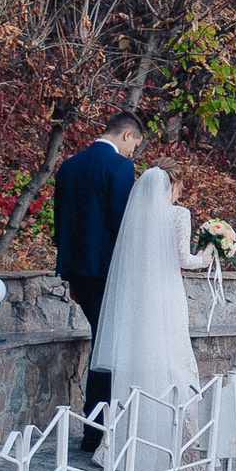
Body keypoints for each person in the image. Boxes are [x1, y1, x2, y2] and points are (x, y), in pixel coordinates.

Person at [88, 167, 212, 471]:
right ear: (172, 185)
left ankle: (126, 445)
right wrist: (209, 256)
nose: (179, 193)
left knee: (138, 365)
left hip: (135, 300)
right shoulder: (177, 215)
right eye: (178, 186)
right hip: (166, 297)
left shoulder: (135, 217)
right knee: (173, 364)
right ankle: (174, 448)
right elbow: (185, 260)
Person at [53, 112, 144, 451]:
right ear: (127, 134)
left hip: (78, 272)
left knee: (102, 343)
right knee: (109, 349)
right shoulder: (119, 168)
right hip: (110, 273)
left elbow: (60, 223)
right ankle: (99, 431)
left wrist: (71, 276)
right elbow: (122, 224)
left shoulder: (69, 166)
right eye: (133, 146)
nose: (132, 153)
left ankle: (96, 430)